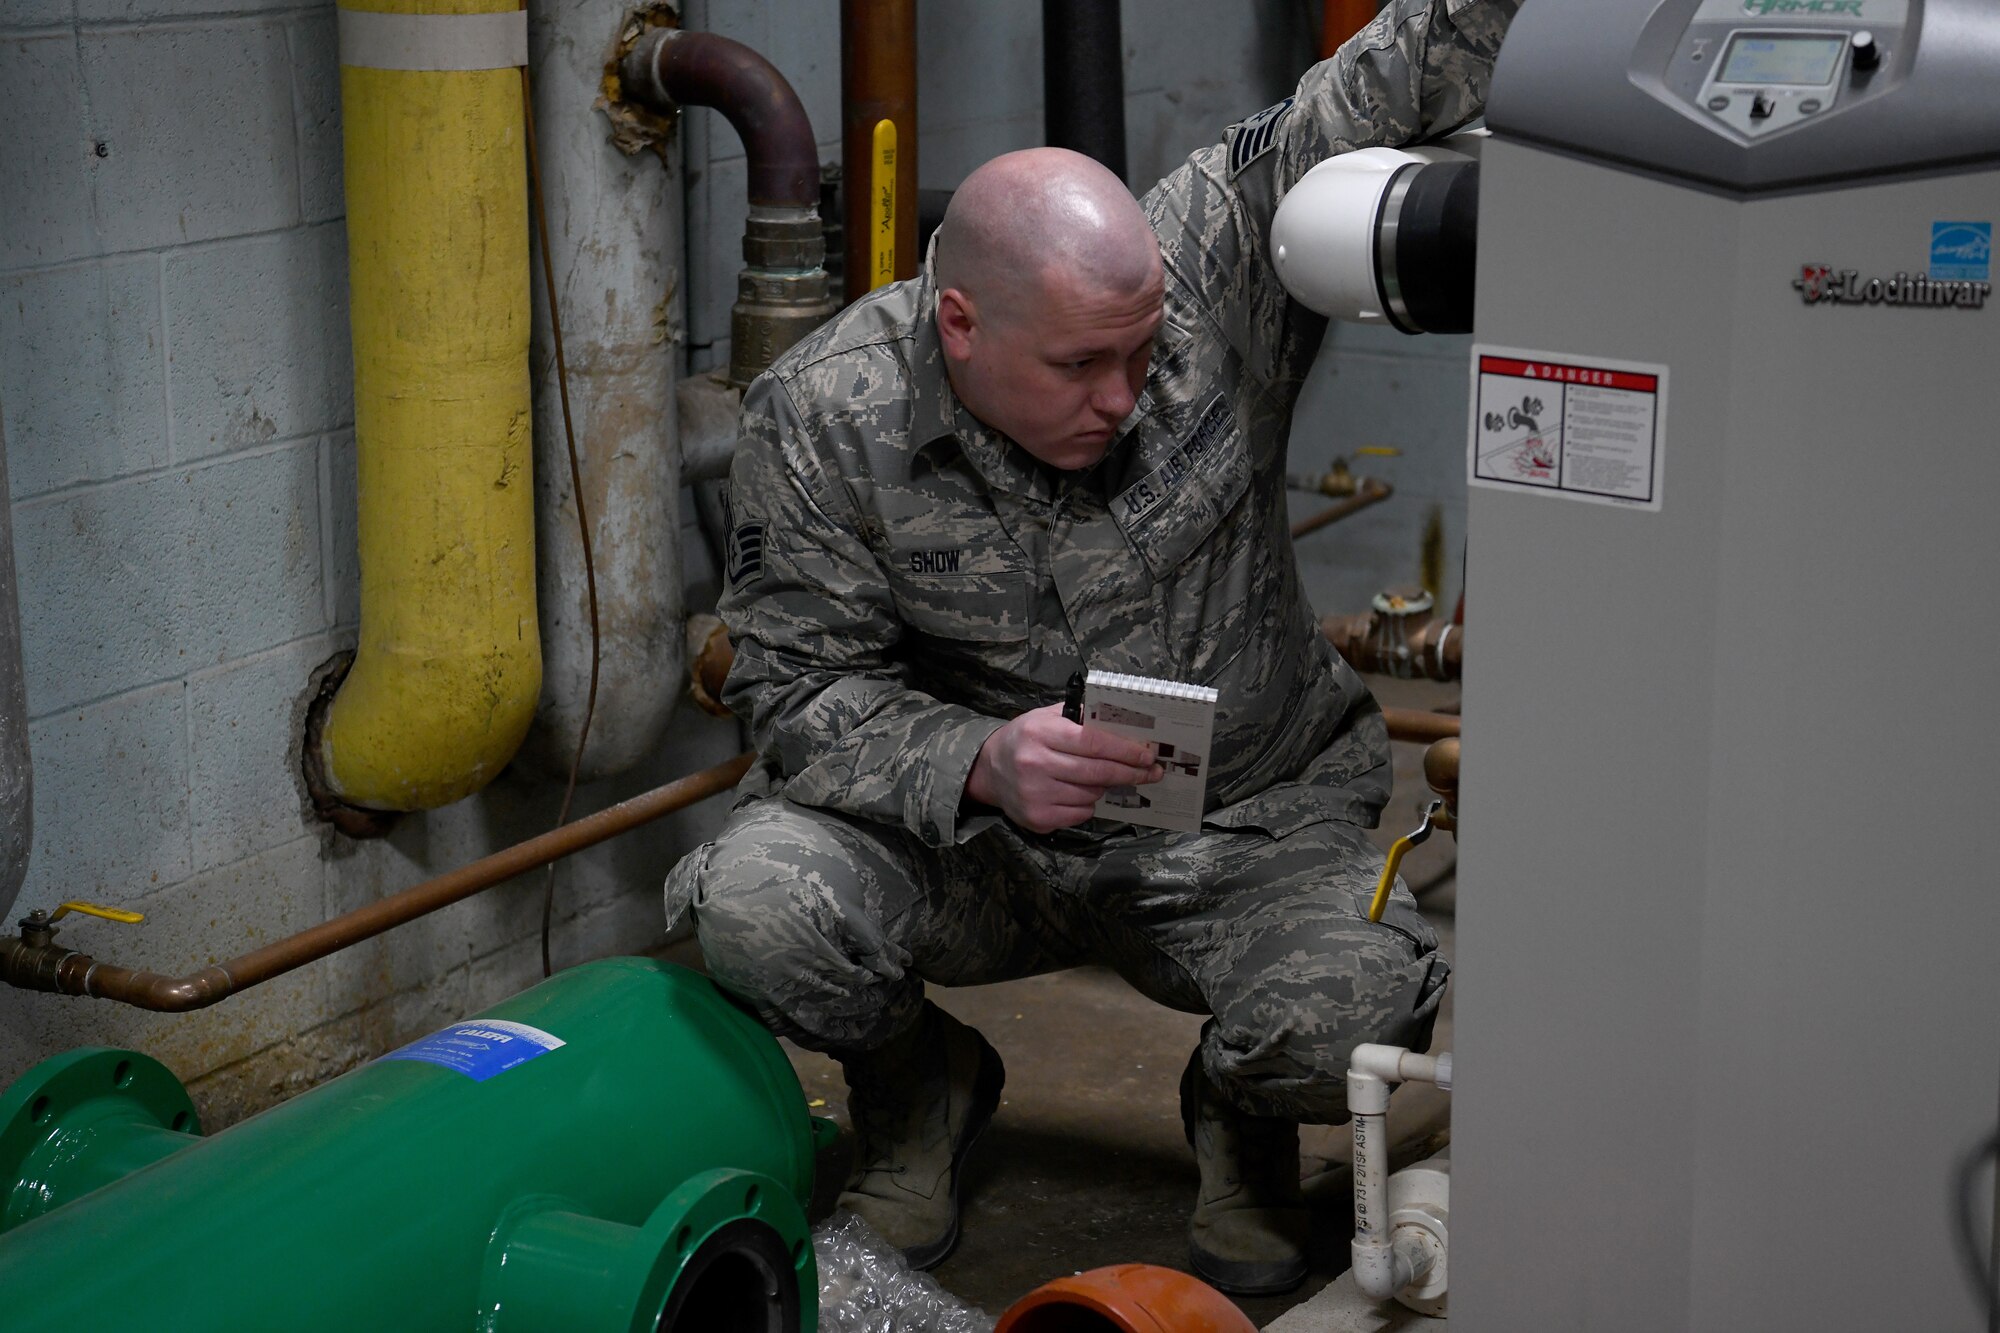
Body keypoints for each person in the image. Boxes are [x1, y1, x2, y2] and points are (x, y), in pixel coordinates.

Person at [666, 0, 1518, 1296]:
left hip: (1245, 821)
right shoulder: (825, 413)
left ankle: (1242, 1115)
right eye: (1078, 366)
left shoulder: (1209, 255)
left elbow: (1392, 72)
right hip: (981, 841)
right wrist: (977, 761)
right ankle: (920, 1091)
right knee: (752, 904)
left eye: (1141, 352)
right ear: (959, 327)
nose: (1123, 398)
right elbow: (791, 684)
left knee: (1352, 1005)